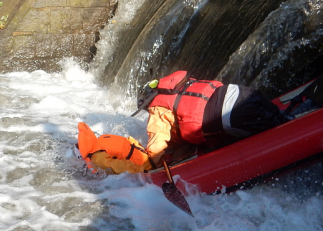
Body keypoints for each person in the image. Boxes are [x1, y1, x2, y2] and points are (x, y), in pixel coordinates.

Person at [136, 70, 290, 165]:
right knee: (281, 120)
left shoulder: (158, 108)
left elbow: (156, 148)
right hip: (240, 92)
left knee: (281, 135)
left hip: (232, 115)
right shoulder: (183, 84)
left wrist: (152, 168)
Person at [76, 122, 155, 175]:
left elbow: (120, 167)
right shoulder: (99, 140)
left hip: (145, 166)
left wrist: (143, 171)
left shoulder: (97, 160)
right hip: (146, 156)